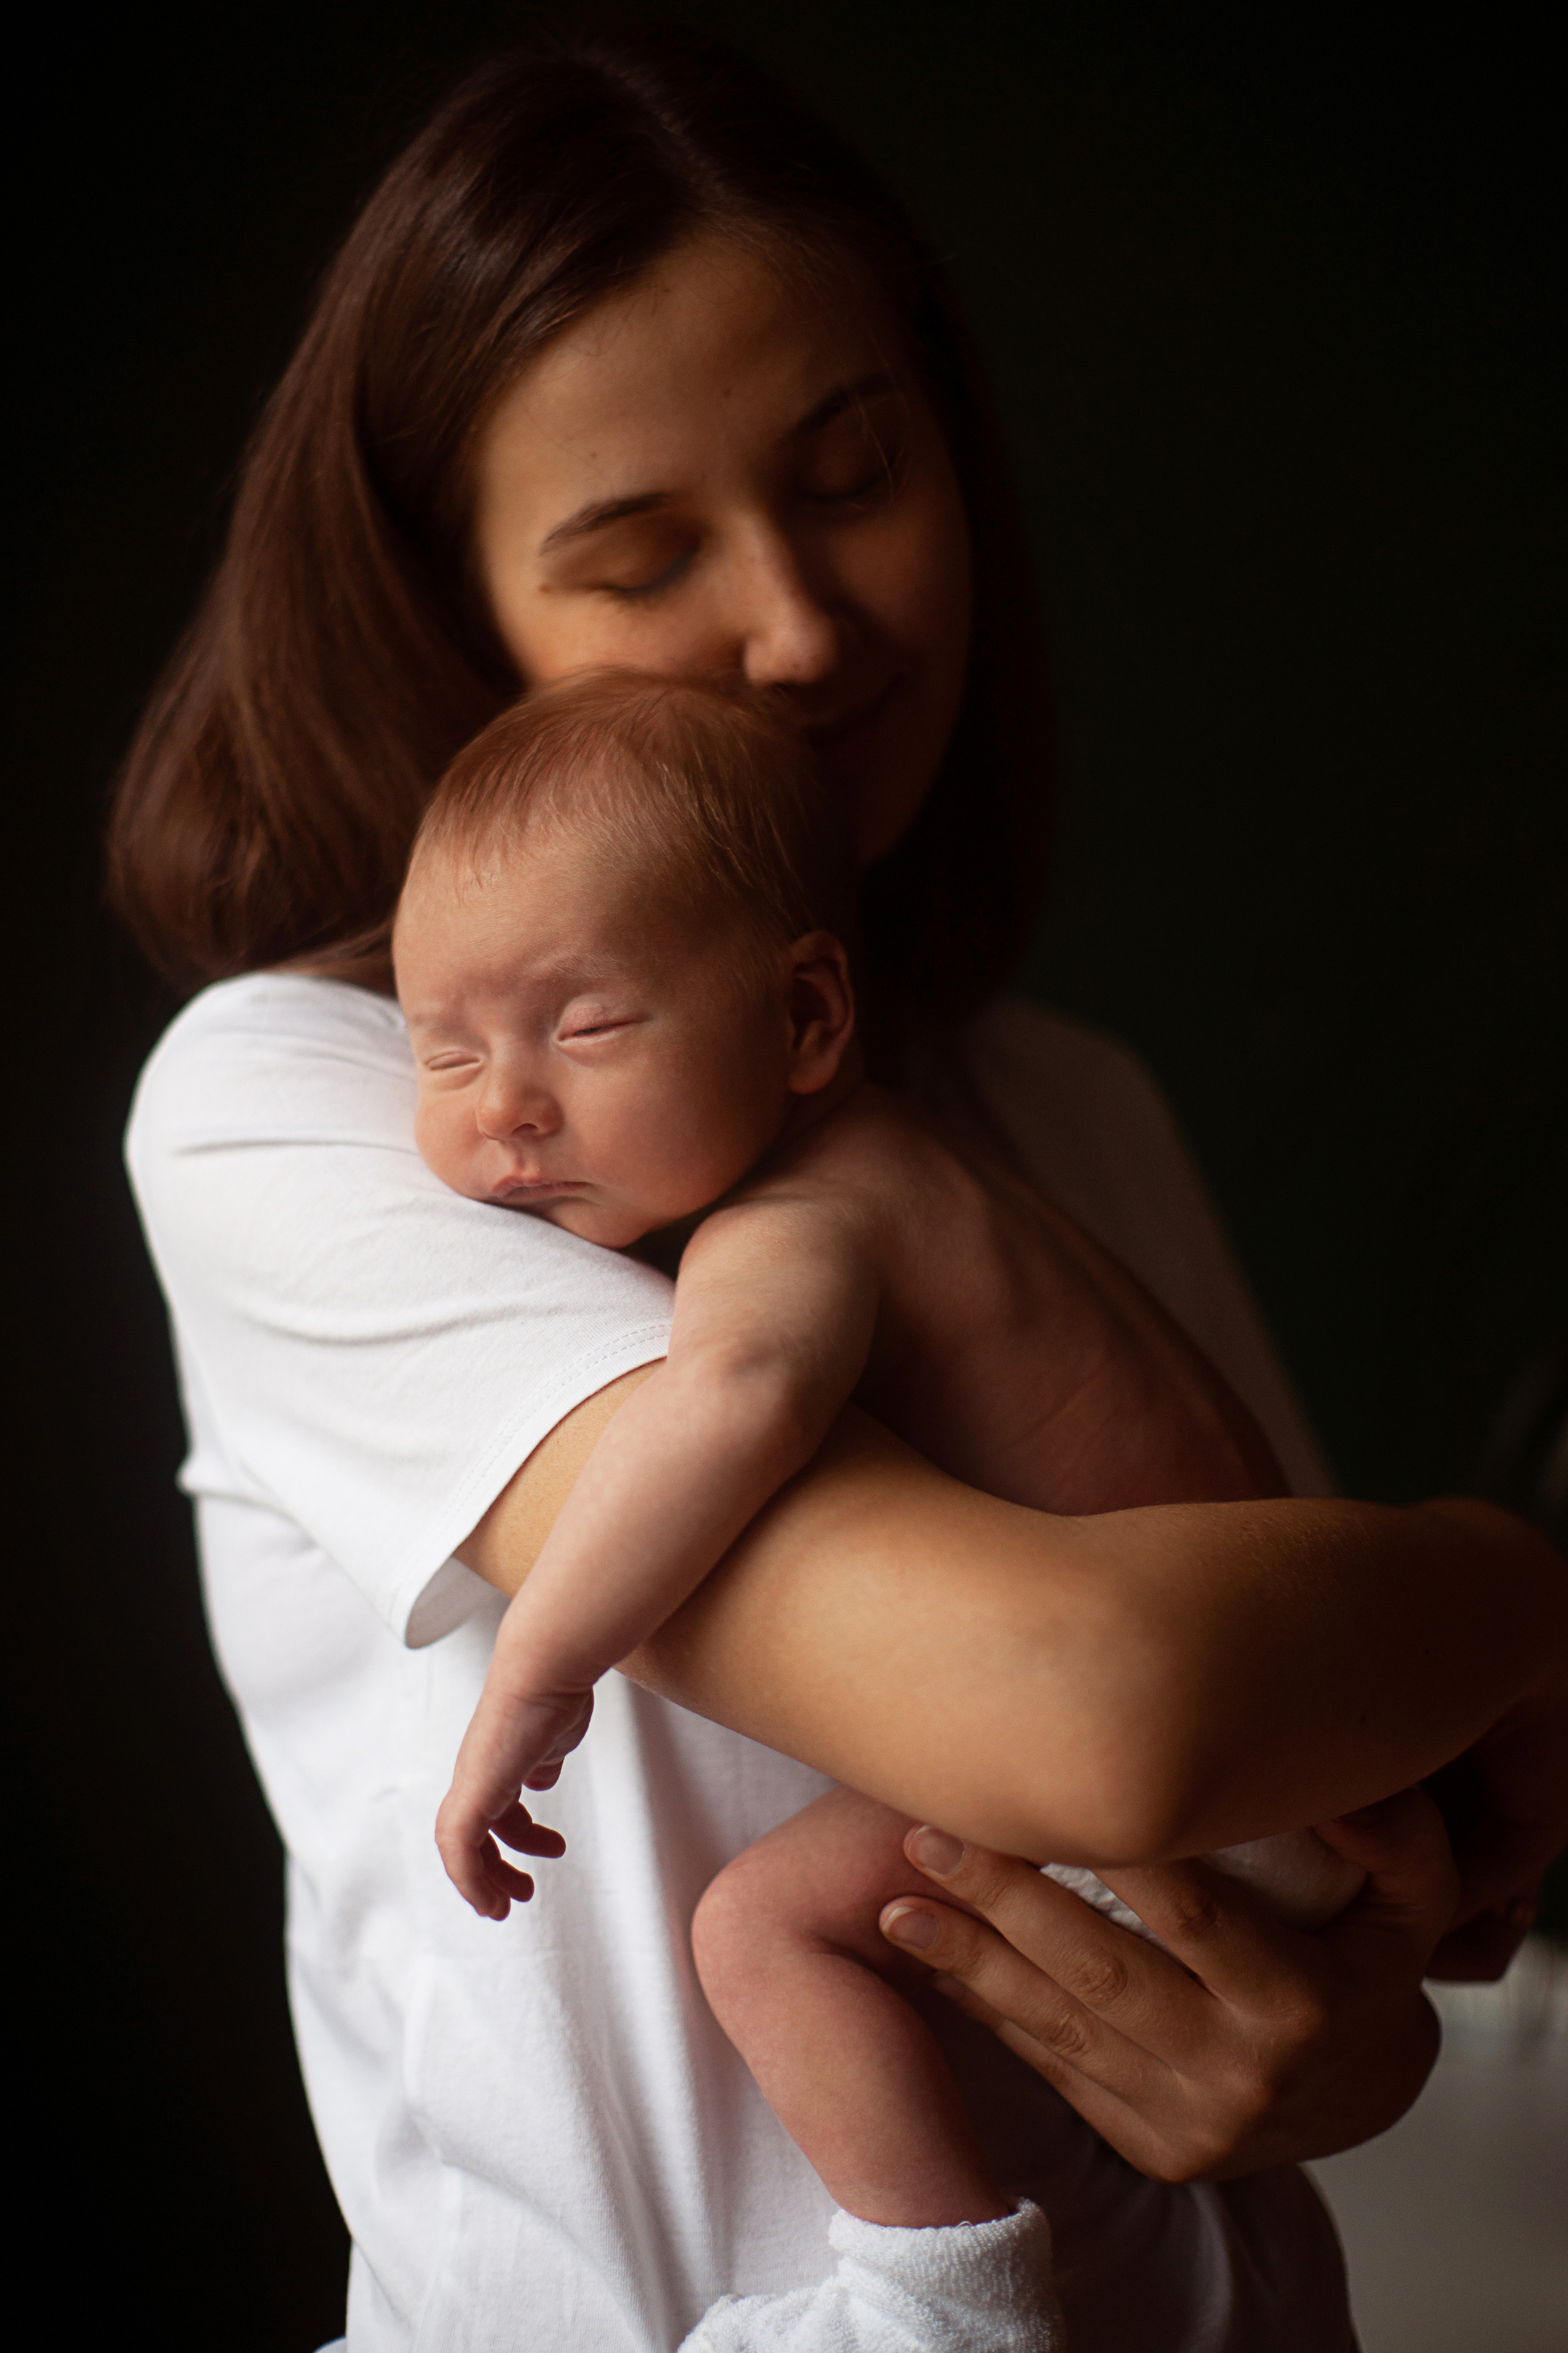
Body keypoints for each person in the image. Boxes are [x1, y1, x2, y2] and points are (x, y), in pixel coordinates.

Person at [113, 28, 1568, 2352]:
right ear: (457, 620)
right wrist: (1510, 1584)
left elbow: (1362, 1849)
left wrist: (1339, 2046)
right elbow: (1111, 1710)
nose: (799, 629)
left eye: (855, 473)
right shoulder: (322, 1112)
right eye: (642, 553)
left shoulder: (1069, 1109)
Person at [406, 667, 1368, 2351]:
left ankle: (948, 2303)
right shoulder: (935, 1177)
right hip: (1285, 1750)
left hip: (1205, 1790)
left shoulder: (800, 1222)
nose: (505, 1106)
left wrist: (540, 1673)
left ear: (804, 1022)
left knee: (763, 1926)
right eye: (444, 1048)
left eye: (583, 1024)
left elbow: (733, 1404)